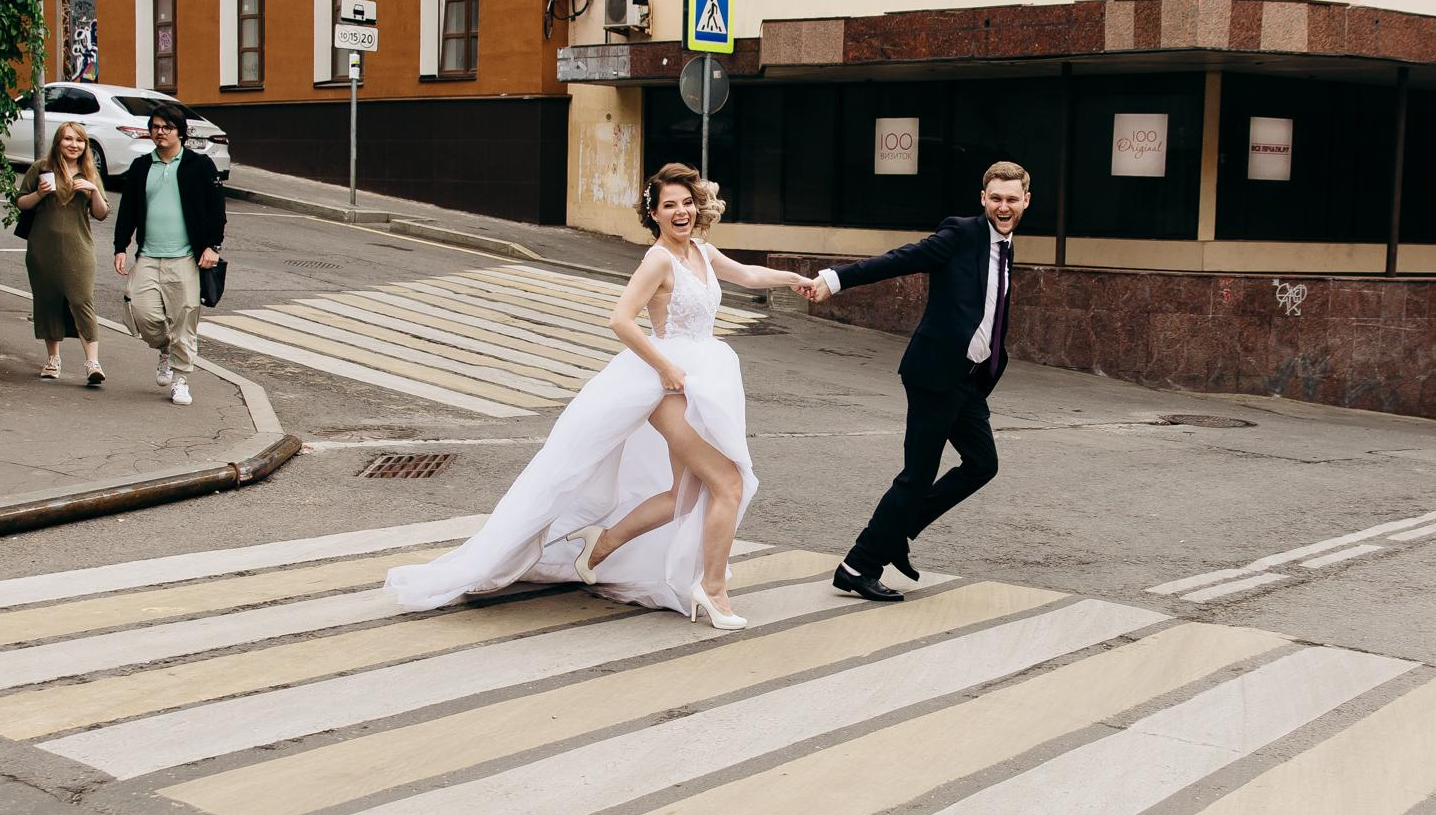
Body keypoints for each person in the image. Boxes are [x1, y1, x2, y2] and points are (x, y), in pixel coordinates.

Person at [386, 163, 810, 628]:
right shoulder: (659, 260)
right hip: (667, 386)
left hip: (706, 381)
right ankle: (711, 590)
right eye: (669, 205)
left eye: (686, 202)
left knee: (682, 493)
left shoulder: (702, 253)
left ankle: (601, 543)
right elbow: (621, 319)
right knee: (727, 483)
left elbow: (747, 276)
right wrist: (664, 366)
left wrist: (793, 280)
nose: (681, 211)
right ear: (654, 213)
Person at [798, 160, 1030, 603]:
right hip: (934, 373)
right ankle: (859, 565)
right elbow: (900, 259)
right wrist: (834, 279)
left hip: (968, 381)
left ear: (1025, 201)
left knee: (982, 465)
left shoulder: (1007, 245)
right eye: (996, 198)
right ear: (983, 199)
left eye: (1011, 199)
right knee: (917, 476)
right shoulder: (961, 234)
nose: (1003, 206)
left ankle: (896, 531)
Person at [111, 107, 226, 405]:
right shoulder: (140, 166)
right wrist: (120, 246)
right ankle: (165, 348)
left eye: (167, 127)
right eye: (156, 127)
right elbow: (128, 210)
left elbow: (217, 210)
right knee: (141, 312)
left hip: (186, 257)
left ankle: (181, 379)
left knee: (185, 317)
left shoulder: (199, 166)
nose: (160, 132)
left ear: (181, 132)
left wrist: (213, 246)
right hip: (148, 255)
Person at [14, 122, 110, 386]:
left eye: (79, 141)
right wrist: (39, 193)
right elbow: (21, 202)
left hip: (79, 247)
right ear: (58, 143)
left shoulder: (90, 172)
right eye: (68, 139)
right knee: (48, 300)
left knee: (81, 300)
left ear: (85, 146)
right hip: (42, 248)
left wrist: (92, 191)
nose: (73, 145)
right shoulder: (42, 168)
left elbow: (101, 213)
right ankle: (53, 358)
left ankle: (92, 362)